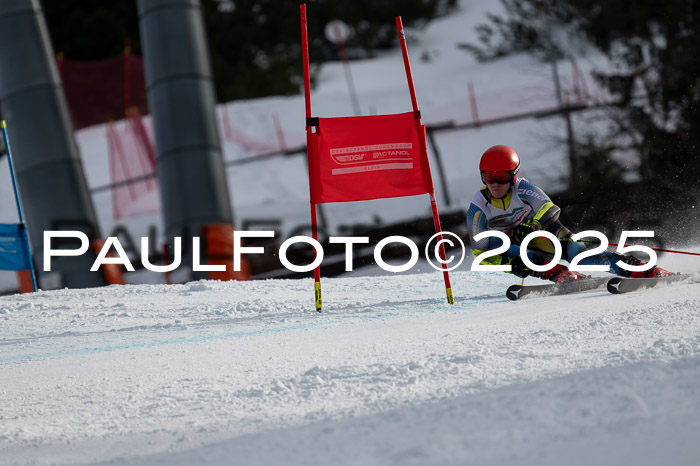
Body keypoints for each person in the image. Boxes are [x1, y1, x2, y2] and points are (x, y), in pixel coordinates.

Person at [466, 145, 672, 283]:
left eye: (501, 177)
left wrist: (532, 226)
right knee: (495, 242)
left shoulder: (523, 188)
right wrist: (511, 266)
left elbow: (549, 208)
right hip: (514, 249)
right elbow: (480, 253)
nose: (494, 184)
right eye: (488, 177)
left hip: (540, 236)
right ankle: (559, 273)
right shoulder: (478, 207)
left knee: (579, 255)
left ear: (513, 175)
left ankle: (644, 270)